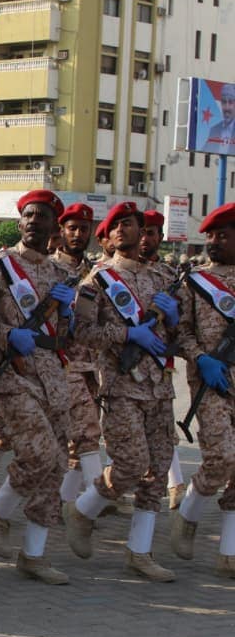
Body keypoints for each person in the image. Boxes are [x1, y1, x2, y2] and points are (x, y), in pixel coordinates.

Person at [65, 201, 182, 582]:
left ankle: (140, 552)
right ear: (108, 236)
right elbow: (82, 332)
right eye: (115, 225)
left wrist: (175, 320)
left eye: (128, 223)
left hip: (160, 386)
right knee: (131, 464)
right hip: (121, 386)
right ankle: (83, 509)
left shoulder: (163, 277)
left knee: (158, 470)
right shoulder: (96, 281)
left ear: (141, 231)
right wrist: (127, 333)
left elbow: (180, 333)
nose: (121, 230)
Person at [0, 191, 75, 584]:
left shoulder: (61, 275)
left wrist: (67, 315)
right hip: (10, 373)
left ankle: (34, 554)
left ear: (54, 226)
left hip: (51, 375)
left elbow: (67, 336)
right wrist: (7, 334)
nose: (34, 221)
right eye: (28, 215)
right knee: (38, 453)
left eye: (43, 216)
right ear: (19, 223)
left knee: (56, 465)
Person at [170, 202, 235, 578]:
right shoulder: (195, 281)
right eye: (211, 236)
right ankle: (188, 514)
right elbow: (180, 331)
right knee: (222, 457)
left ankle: (229, 552)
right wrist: (200, 358)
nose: (214, 242)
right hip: (211, 382)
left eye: (223, 236)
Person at [52, 204, 105, 509]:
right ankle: (96, 501)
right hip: (59, 363)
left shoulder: (96, 274)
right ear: (62, 231)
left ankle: (64, 501)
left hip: (90, 366)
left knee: (76, 440)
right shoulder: (49, 268)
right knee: (87, 431)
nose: (77, 234)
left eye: (84, 229)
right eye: (72, 228)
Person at [141, 208, 188, 509]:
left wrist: (174, 318)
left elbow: (184, 326)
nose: (144, 239)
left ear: (160, 237)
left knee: (162, 427)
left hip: (159, 363)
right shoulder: (113, 274)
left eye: (151, 233)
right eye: (141, 232)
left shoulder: (170, 277)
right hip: (124, 364)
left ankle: (174, 483)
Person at [206, 83, 235, 155]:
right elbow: (206, 148)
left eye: (230, 102)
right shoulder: (214, 129)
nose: (227, 108)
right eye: (224, 102)